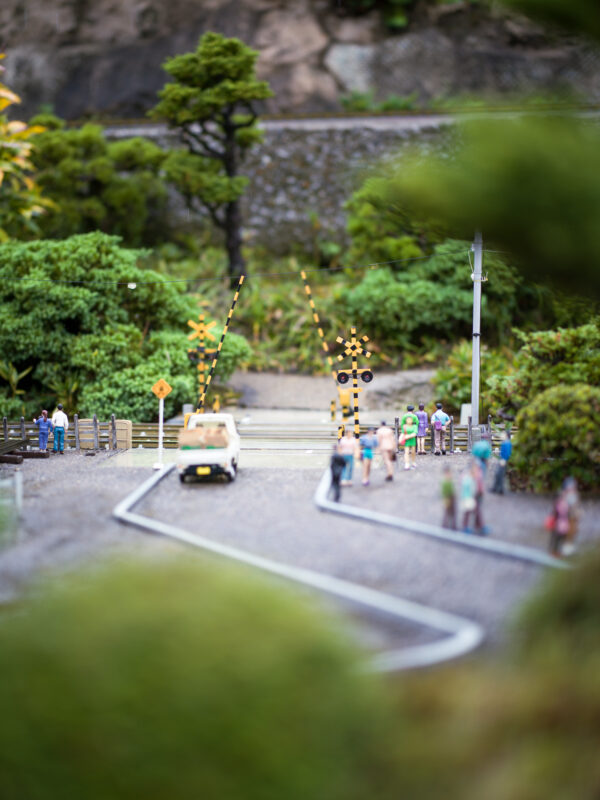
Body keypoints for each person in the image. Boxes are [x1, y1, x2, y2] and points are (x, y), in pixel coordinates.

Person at [440, 465, 456, 529]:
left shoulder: (449, 480)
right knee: (447, 512)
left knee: (452, 512)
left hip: (451, 497)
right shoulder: (445, 482)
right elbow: (444, 492)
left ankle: (452, 525)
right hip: (448, 498)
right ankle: (446, 525)